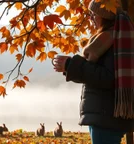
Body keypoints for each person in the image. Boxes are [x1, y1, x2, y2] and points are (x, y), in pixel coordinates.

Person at [52, 0, 134, 144]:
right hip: (103, 116)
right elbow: (95, 75)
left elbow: (107, 77)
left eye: (93, 14)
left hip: (106, 118)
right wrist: (69, 67)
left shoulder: (111, 40)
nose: (90, 18)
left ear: (104, 16)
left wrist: (71, 65)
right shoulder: (107, 39)